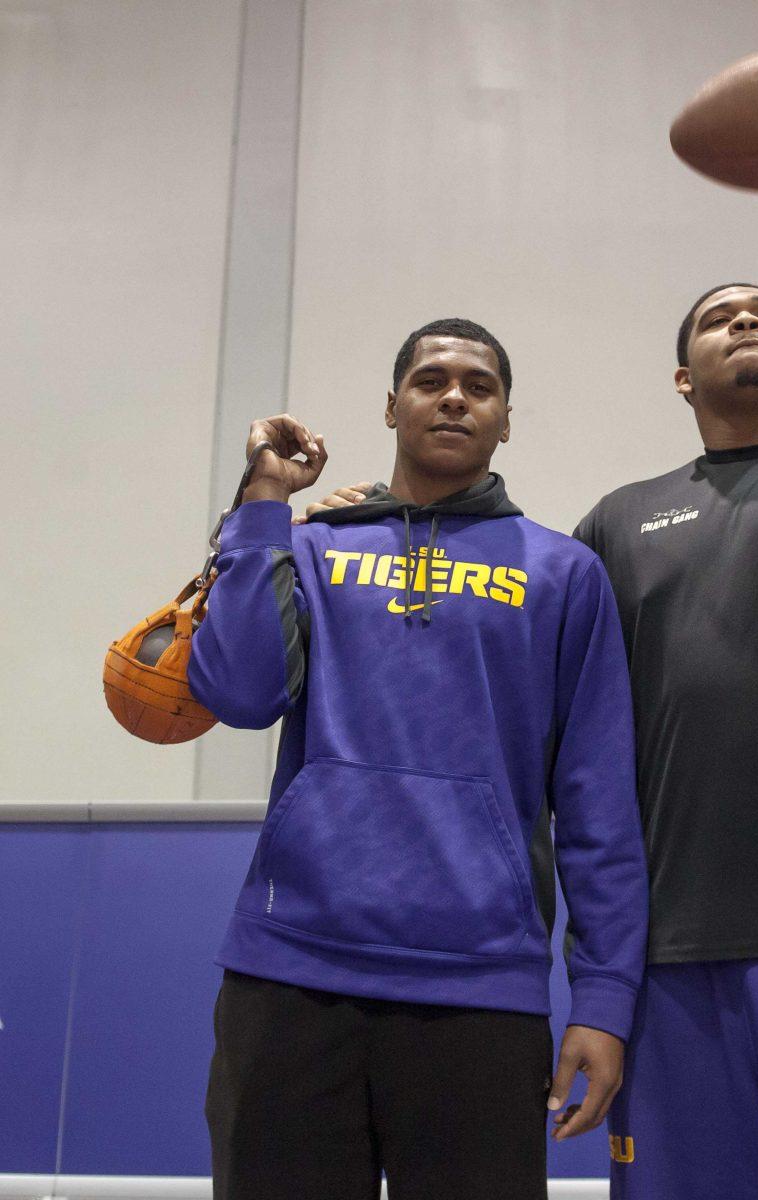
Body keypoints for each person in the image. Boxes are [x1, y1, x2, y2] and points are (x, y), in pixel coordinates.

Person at [308, 234, 758, 1199]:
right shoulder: (618, 523)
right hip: (672, 960)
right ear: (684, 379)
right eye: (717, 319)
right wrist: (378, 525)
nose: (743, 321)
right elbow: (541, 716)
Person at [189, 317, 648, 1200]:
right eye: (431, 380)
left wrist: (603, 999)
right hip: (291, 973)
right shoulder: (314, 547)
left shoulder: (565, 573)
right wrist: (260, 508)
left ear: (506, 419)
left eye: (479, 386)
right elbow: (240, 696)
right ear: (392, 406)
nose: (453, 397)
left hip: (481, 986)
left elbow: (599, 808)